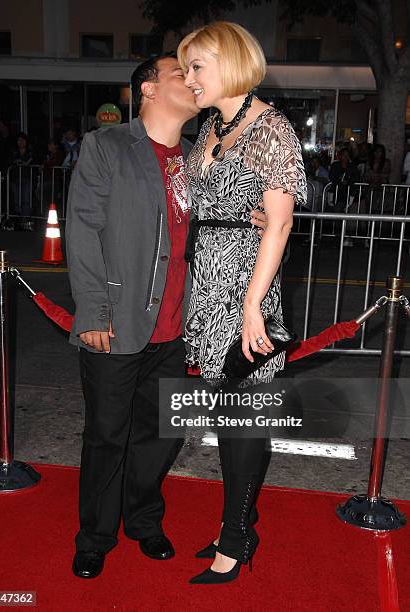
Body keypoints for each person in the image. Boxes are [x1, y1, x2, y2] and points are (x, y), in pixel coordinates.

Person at [178, 22, 307, 584]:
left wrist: (253, 304)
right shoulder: (212, 126)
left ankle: (235, 540)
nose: (188, 78)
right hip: (207, 284)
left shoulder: (272, 128)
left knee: (245, 418)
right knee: (226, 418)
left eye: (197, 66)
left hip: (247, 287)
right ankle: (238, 522)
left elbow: (279, 226)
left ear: (229, 63)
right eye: (185, 68)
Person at [65, 53, 200, 580]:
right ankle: (95, 535)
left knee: (163, 433)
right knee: (106, 434)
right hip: (116, 323)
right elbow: (83, 231)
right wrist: (93, 311)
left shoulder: (195, 158)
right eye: (178, 74)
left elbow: (203, 234)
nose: (190, 82)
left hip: (176, 327)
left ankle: (143, 519)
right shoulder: (108, 146)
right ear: (147, 89)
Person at [10, 132, 34, 230]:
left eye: (23, 140)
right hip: (16, 178)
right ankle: (18, 219)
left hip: (27, 177)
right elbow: (10, 161)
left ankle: (25, 221)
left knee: (26, 200)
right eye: (19, 140)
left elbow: (33, 161)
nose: (21, 142)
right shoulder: (14, 152)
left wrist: (26, 163)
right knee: (16, 199)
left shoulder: (30, 151)